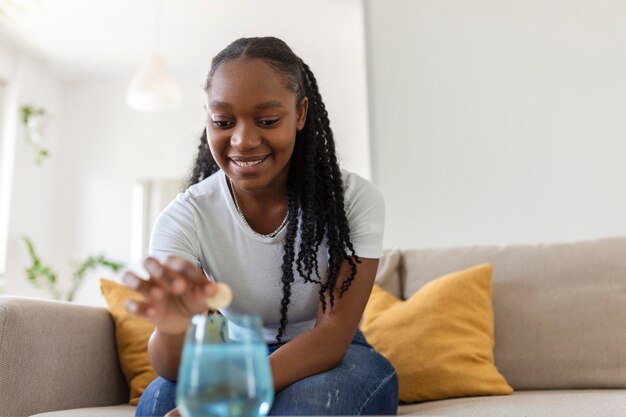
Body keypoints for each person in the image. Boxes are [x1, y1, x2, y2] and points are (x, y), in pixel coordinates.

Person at [123, 36, 398, 417]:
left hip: (336, 356)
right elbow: (172, 369)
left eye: (267, 121)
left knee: (310, 406)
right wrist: (171, 327)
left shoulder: (353, 200)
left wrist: (232, 393)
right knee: (157, 404)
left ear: (300, 114)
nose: (243, 140)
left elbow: (331, 336)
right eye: (222, 122)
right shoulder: (185, 217)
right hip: (234, 355)